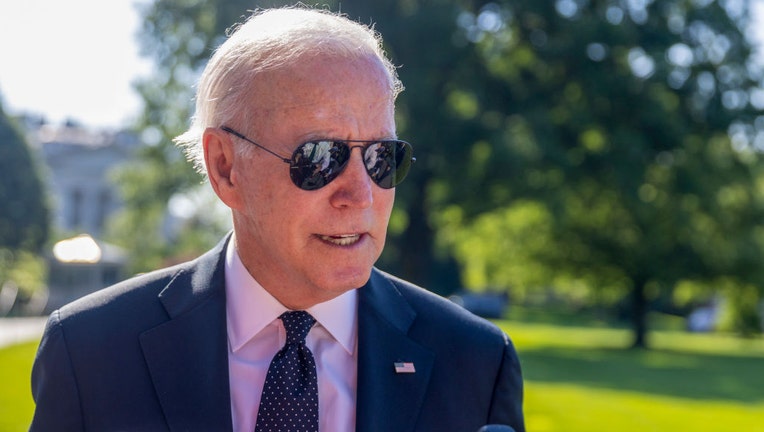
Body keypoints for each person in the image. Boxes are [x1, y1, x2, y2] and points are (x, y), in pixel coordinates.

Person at [30, 6, 525, 432]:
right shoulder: (90, 352)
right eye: (320, 158)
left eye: (381, 157)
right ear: (225, 167)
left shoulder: (477, 362)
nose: (361, 194)